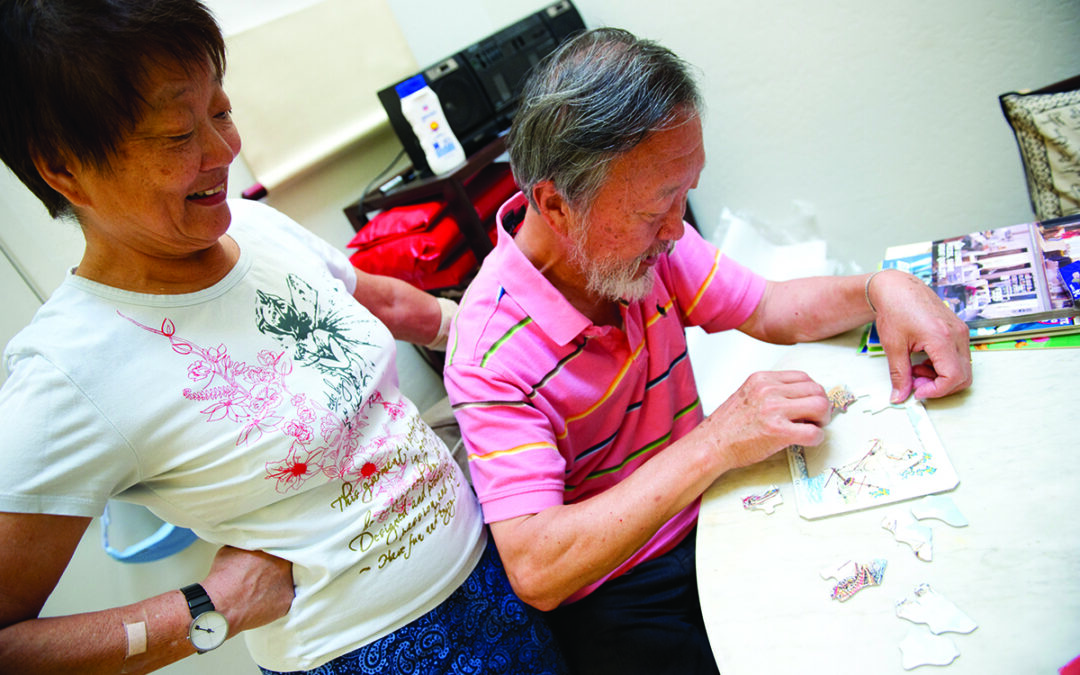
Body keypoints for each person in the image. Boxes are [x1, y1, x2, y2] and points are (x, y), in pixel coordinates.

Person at [0, 1, 566, 673]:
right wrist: (208, 609)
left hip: (494, 570)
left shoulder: (252, 226)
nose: (223, 152)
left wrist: (511, 339)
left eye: (220, 111)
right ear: (64, 169)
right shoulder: (67, 370)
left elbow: (380, 299)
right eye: (178, 134)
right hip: (372, 655)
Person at [442, 27, 973, 675]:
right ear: (556, 204)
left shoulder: (649, 248)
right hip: (622, 588)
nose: (677, 229)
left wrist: (880, 288)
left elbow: (771, 307)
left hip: (715, 515)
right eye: (654, 211)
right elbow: (538, 567)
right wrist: (717, 441)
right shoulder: (489, 353)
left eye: (684, 194)